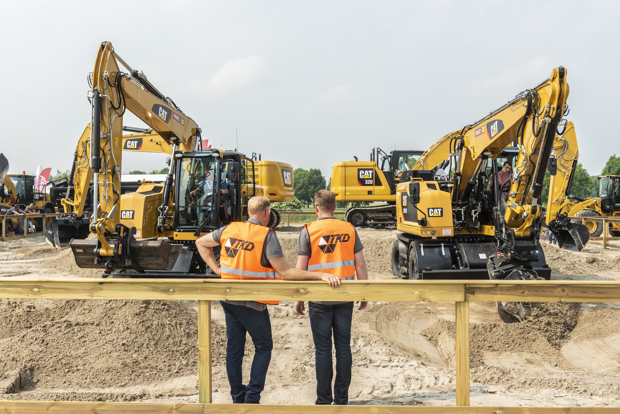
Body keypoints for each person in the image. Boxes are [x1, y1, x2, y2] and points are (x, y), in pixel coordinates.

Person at [196, 196, 341, 405]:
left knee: (234, 348)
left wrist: (217, 269)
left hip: (228, 298)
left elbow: (201, 243)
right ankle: (252, 398)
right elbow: (286, 273)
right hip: (252, 302)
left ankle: (238, 397)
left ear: (248, 212)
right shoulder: (266, 236)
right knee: (264, 346)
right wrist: (320, 275)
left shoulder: (229, 230)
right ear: (266, 213)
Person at [294, 190, 368, 405]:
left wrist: (299, 298)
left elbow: (301, 267)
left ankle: (324, 400)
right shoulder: (349, 228)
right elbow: (360, 264)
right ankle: (342, 399)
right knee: (343, 347)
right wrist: (364, 293)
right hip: (345, 297)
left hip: (318, 299)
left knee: (323, 350)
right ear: (334, 207)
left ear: (316, 208)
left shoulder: (308, 230)